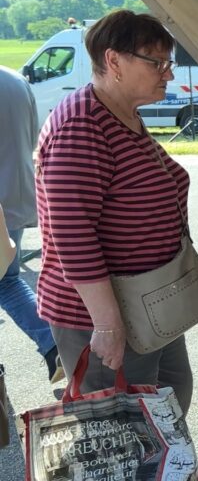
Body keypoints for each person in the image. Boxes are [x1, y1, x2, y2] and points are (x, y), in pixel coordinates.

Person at [34, 10, 194, 413]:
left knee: (166, 410)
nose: (167, 74)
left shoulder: (121, 114)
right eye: (156, 63)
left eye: (168, 63)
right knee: (123, 437)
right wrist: (107, 326)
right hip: (103, 317)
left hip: (146, 304)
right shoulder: (81, 126)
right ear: (113, 61)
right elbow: (74, 237)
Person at [0, 65, 62, 383]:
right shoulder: (15, 79)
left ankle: (56, 344)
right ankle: (56, 344)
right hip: (17, 197)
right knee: (7, 281)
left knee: (5, 282)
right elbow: (34, 135)